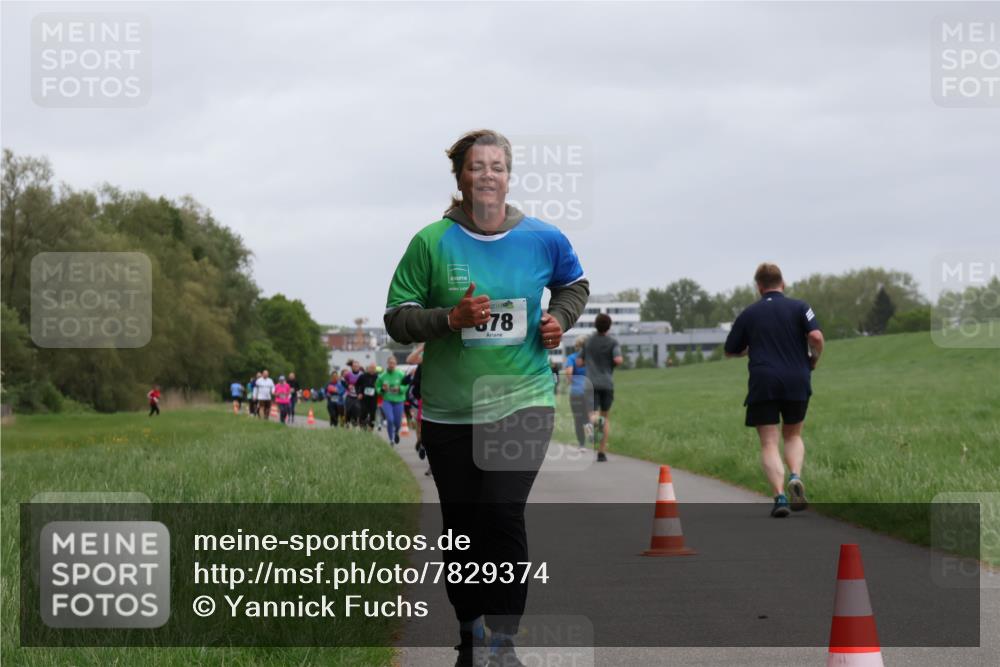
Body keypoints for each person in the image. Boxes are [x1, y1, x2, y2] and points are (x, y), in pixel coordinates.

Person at [384, 129, 588, 666]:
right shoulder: (430, 242)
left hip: (524, 398)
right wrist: (449, 319)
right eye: (478, 167)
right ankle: (469, 633)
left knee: (501, 512)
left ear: (509, 175)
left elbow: (574, 284)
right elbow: (397, 319)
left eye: (497, 166)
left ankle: (503, 641)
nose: (488, 175)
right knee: (461, 525)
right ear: (461, 178)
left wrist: (558, 319)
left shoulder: (543, 238)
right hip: (451, 410)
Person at [725, 262, 824, 518]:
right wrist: (814, 358)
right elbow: (816, 337)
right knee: (792, 435)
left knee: (769, 442)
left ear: (759, 287)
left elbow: (730, 349)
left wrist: (752, 348)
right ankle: (795, 476)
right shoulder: (801, 307)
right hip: (797, 379)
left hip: (763, 381)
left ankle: (780, 496)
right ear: (784, 283)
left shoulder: (749, 314)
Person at [582, 313, 623, 462]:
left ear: (595, 325)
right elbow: (618, 359)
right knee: (605, 417)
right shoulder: (613, 342)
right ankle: (601, 452)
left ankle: (592, 427)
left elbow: (579, 362)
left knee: (591, 414)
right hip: (607, 383)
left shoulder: (588, 342)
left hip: (591, 382)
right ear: (609, 326)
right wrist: (611, 363)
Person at [565, 337, 593, 449]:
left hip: (576, 392)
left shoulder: (572, 358)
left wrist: (570, 381)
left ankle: (582, 444)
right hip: (590, 391)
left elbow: (569, 372)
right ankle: (590, 429)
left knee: (578, 418)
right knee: (588, 415)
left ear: (576, 346)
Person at [377, 356, 407, 445]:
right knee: (390, 419)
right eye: (390, 363)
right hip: (387, 401)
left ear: (396, 364)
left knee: (397, 422)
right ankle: (391, 439)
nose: (392, 365)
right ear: (387, 364)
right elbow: (377, 388)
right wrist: (382, 389)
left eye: (393, 363)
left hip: (399, 401)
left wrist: (400, 389)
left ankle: (396, 431)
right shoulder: (382, 376)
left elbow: (406, 385)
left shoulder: (401, 374)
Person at [356, 363, 380, 430]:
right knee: (363, 411)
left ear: (375, 369)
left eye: (374, 368)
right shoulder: (362, 376)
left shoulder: (378, 377)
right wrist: (358, 393)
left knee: (373, 413)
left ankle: (371, 427)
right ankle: (362, 426)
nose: (372, 370)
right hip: (364, 397)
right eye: (371, 368)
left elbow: (381, 386)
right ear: (368, 369)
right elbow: (357, 385)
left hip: (373, 398)